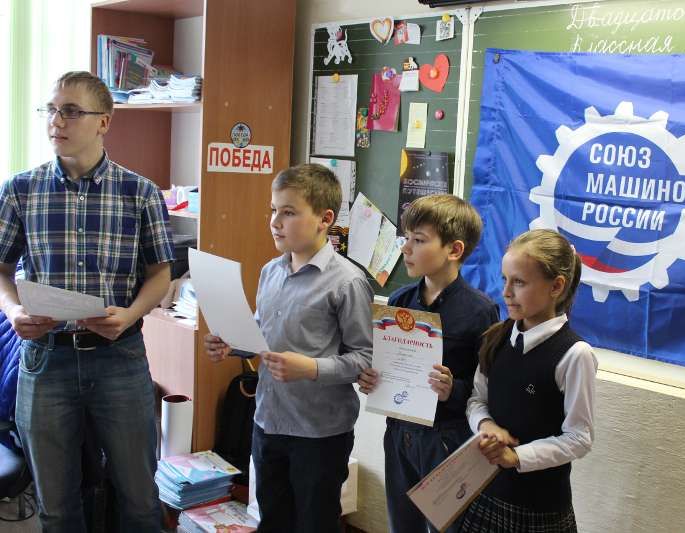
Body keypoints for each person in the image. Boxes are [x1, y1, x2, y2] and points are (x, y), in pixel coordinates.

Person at [0, 71, 175, 532]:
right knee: (57, 507)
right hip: (45, 360)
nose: (56, 121)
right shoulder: (20, 190)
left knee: (139, 499)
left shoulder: (140, 193)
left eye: (71, 111)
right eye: (52, 110)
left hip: (118, 357)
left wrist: (131, 314)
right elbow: (1, 269)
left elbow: (161, 274)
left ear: (104, 122)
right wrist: (14, 310)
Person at [203, 163, 373, 533]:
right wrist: (231, 344)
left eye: (289, 212)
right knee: (273, 520)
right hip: (268, 420)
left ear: (325, 219)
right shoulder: (270, 271)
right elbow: (260, 336)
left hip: (320, 432)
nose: (275, 222)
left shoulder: (347, 282)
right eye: (273, 210)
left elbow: (364, 360)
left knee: (315, 524)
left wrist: (310, 368)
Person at [357, 194, 499, 533]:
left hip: (446, 438)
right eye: (406, 238)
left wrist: (453, 390)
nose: (406, 248)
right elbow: (387, 365)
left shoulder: (480, 311)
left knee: (447, 526)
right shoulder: (399, 300)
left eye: (419, 240)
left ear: (454, 250)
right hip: (400, 432)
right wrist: (373, 380)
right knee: (402, 523)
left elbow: (488, 391)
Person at [460, 229, 597, 533]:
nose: (506, 292)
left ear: (556, 286)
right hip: (486, 492)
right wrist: (486, 425)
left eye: (519, 282)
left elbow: (579, 437)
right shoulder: (496, 339)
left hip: (539, 507)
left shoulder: (575, 354)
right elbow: (476, 400)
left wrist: (517, 457)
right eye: (505, 280)